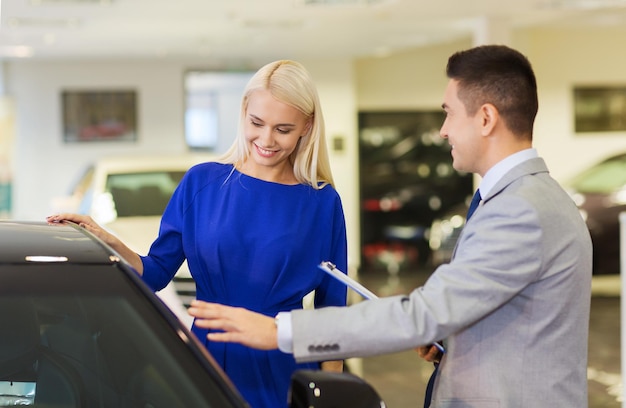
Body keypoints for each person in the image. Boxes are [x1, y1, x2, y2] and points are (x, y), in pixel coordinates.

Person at [187, 44, 593, 408]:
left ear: (485, 118)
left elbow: (424, 312)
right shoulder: (518, 200)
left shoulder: (521, 210)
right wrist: (452, 343)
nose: (443, 130)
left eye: (449, 113)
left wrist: (281, 331)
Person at [47, 59, 349, 408]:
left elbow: (333, 314)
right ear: (244, 113)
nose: (266, 139)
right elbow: (156, 272)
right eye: (256, 123)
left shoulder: (322, 203)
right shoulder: (201, 183)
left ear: (306, 127)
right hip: (205, 358)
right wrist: (109, 242)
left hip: (282, 363)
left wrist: (333, 397)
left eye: (282, 129)